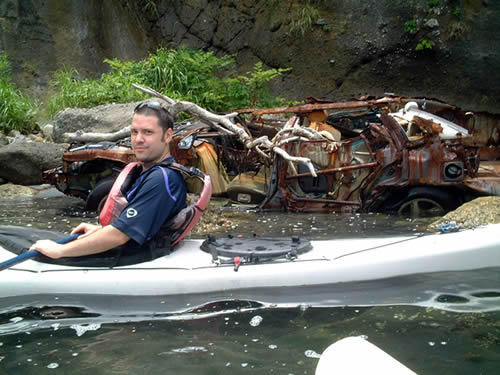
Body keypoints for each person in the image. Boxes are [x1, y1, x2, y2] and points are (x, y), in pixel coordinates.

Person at [29, 101, 187, 263]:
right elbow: (134, 225)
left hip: (128, 256)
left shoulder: (161, 179)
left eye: (147, 132)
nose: (138, 139)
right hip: (127, 247)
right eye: (134, 132)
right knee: (14, 233)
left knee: (18, 242)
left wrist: (60, 250)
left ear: (167, 136)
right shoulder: (151, 171)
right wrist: (100, 231)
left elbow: (118, 236)